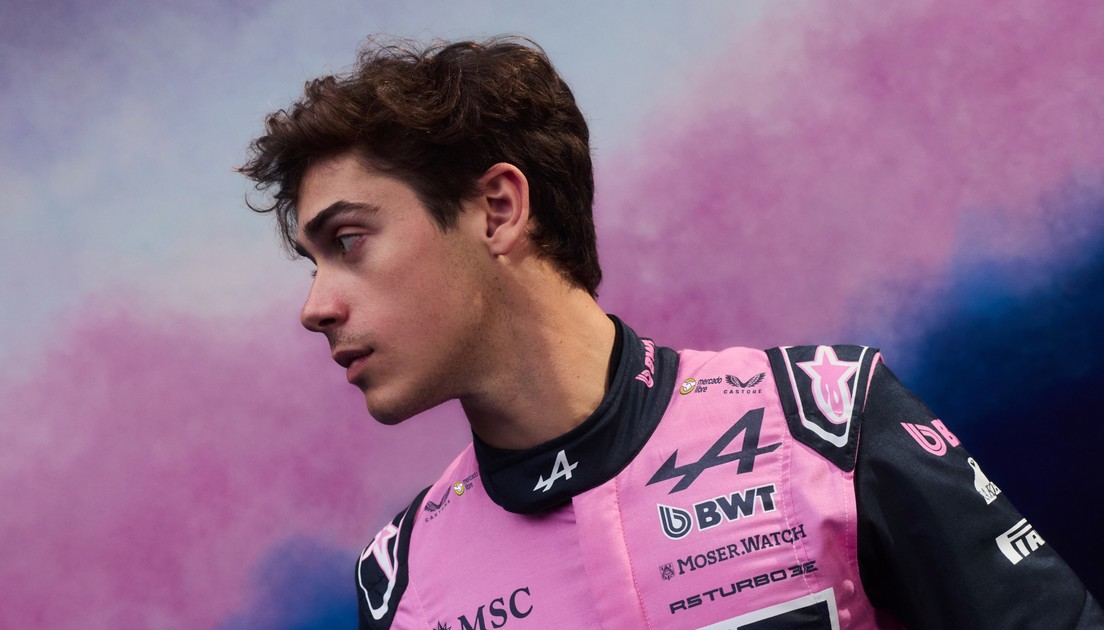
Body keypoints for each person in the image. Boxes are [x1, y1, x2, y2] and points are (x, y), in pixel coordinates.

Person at [240, 36, 1102, 630]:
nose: (315, 306)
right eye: (313, 261)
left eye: (347, 241)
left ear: (497, 210)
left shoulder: (823, 425)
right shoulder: (401, 585)